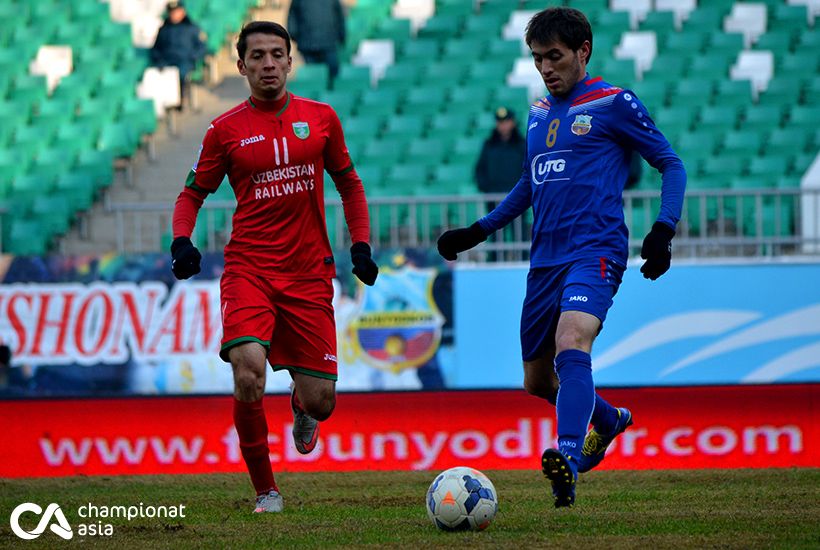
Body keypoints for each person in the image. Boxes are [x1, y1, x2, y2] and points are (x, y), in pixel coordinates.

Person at [437, 7, 685, 508]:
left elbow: (670, 164)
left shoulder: (614, 102)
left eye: (554, 57)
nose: (546, 68)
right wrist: (478, 231)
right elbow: (531, 182)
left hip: (596, 248)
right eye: (537, 59)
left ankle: (567, 458)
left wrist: (663, 229)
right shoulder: (536, 114)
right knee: (536, 380)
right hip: (544, 259)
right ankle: (608, 418)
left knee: (572, 338)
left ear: (582, 52)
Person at [170, 21, 378, 514]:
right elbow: (191, 194)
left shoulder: (322, 118)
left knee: (323, 401)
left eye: (276, 54)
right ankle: (267, 490)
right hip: (250, 269)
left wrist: (362, 245)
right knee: (248, 372)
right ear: (241, 66)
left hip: (308, 273)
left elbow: (349, 183)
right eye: (257, 56)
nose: (268, 64)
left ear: (290, 61)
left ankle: (304, 407)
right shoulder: (224, 130)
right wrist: (182, 240)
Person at [475, 106, 527, 260]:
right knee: (496, 234)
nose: (503, 126)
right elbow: (479, 170)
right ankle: (495, 263)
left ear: (513, 123)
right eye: (500, 122)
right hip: (495, 198)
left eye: (506, 122)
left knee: (520, 235)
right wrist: (487, 189)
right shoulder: (489, 144)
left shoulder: (521, 145)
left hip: (517, 198)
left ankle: (524, 262)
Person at [149, 0, 207, 108]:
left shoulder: (192, 28)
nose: (173, 15)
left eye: (176, 12)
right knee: (156, 76)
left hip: (185, 61)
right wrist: (158, 60)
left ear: (182, 12)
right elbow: (156, 48)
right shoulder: (163, 29)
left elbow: (202, 47)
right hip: (166, 61)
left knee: (179, 74)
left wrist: (193, 57)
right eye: (171, 12)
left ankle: (179, 101)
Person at [287, 0, 346, 83]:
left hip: (326, 43)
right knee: (314, 77)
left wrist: (342, 35)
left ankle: (329, 92)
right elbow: (292, 16)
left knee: (332, 75)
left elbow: (339, 16)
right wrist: (294, 35)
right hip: (310, 44)